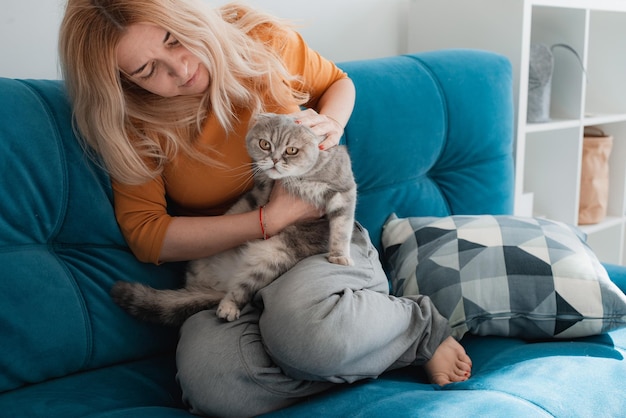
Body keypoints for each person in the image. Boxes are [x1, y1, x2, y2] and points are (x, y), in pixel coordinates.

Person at [58, 0, 472, 416]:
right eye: (147, 70)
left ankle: (417, 328)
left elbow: (337, 83)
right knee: (213, 387)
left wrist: (332, 122)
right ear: (121, 82)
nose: (180, 69)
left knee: (303, 332)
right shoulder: (133, 120)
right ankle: (338, 345)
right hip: (230, 271)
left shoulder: (259, 40)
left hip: (314, 240)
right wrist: (267, 220)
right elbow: (148, 235)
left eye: (176, 39)